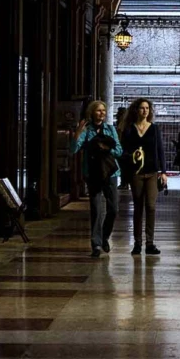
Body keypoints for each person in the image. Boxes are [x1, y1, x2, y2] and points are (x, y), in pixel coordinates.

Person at [70, 100, 123, 258]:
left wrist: (107, 148)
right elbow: (74, 149)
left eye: (104, 111)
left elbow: (119, 150)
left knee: (113, 209)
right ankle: (96, 244)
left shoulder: (110, 129)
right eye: (99, 111)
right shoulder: (87, 130)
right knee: (96, 210)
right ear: (92, 112)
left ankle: (104, 236)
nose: (102, 113)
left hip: (110, 173)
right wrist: (78, 133)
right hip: (93, 174)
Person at [121, 97, 167, 255]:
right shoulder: (129, 129)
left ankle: (150, 243)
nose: (145, 110)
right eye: (142, 108)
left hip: (152, 172)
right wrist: (132, 157)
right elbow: (123, 151)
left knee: (151, 207)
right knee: (138, 207)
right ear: (136, 110)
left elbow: (160, 150)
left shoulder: (154, 129)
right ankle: (137, 243)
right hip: (136, 173)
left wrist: (164, 171)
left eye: (147, 108)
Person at [115, 106, 131, 190]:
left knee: (124, 167)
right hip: (123, 148)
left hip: (124, 148)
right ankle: (124, 183)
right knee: (123, 167)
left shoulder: (124, 125)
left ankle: (124, 183)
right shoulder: (124, 124)